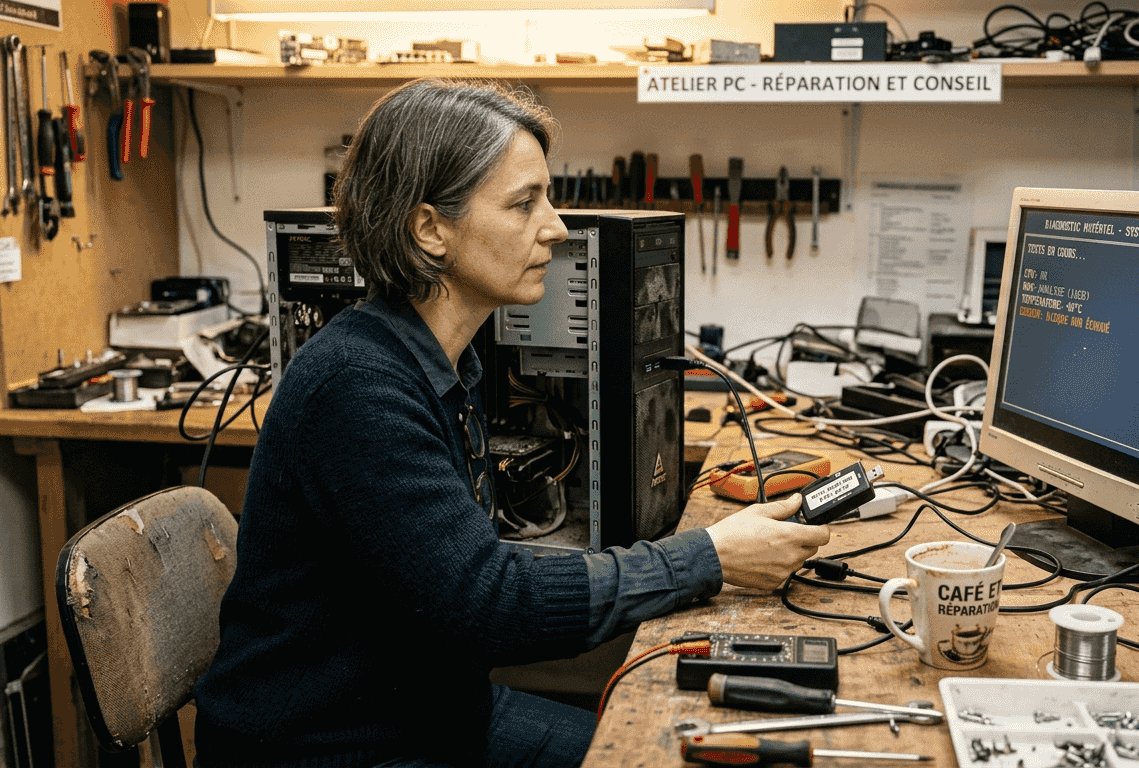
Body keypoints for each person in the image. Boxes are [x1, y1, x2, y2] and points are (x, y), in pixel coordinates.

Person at [193, 78, 831, 768]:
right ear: (430, 229)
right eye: (524, 203)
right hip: (335, 747)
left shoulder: (442, 364)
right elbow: (488, 607)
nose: (555, 227)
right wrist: (707, 557)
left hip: (435, 712)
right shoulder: (357, 386)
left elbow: (466, 580)